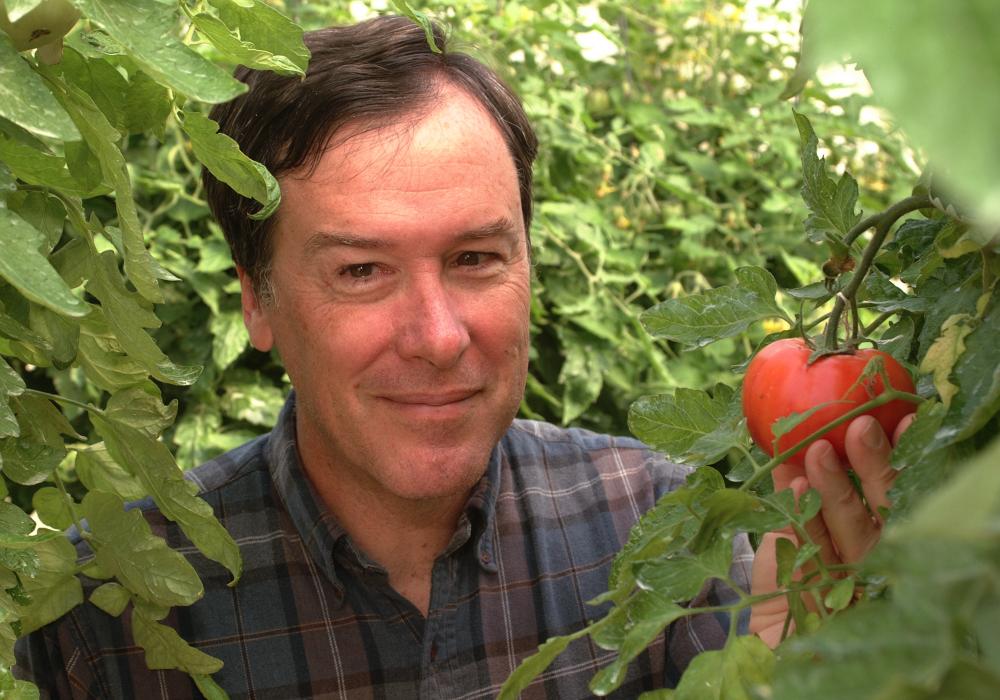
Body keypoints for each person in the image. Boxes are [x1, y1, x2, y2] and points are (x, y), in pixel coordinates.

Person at [14, 15, 906, 698]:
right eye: (361, 271)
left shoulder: (661, 528)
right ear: (258, 299)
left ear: (529, 262)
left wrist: (811, 669)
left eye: (476, 258)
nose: (440, 337)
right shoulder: (112, 612)